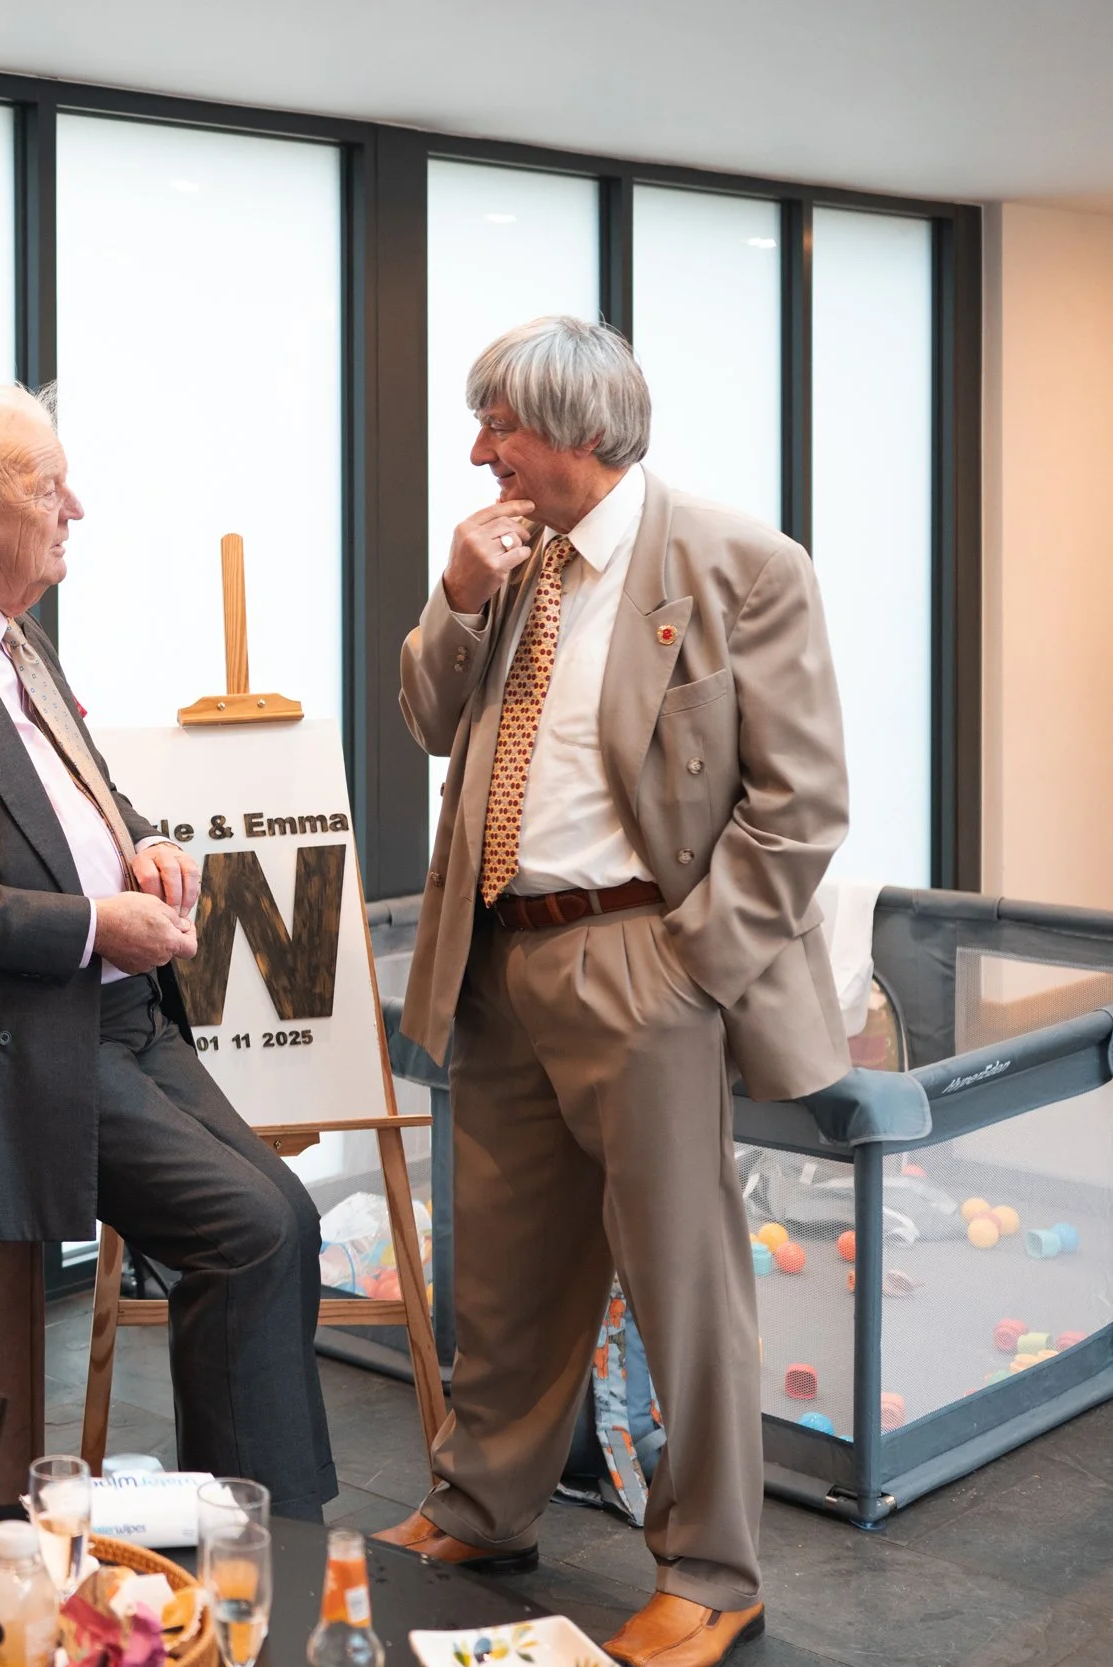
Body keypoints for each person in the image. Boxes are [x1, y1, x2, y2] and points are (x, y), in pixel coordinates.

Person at [384, 316, 850, 1667]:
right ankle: (484, 1506)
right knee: (511, 1274)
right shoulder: (505, 560)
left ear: (583, 432)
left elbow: (801, 801)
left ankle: (711, 1570)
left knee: (678, 1282)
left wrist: (687, 969)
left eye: (503, 432)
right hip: (499, 954)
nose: (482, 456)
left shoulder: (740, 566)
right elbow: (427, 716)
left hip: (643, 961)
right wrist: (456, 598)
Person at [0, 385, 335, 1517]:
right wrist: (94, 924)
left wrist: (144, 844)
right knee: (245, 1228)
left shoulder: (10, 636)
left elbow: (78, 798)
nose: (75, 507)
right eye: (48, 485)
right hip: (22, 1039)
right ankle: (253, 1532)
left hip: (119, 1012)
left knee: (282, 1216)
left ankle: (255, 1532)